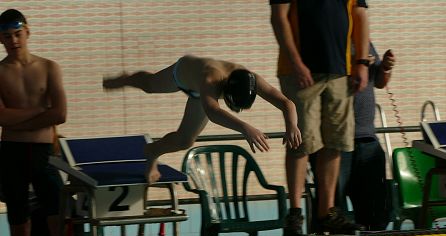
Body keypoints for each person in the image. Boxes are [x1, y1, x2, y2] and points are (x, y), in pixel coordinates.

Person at [103, 54, 302, 183]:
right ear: (225, 91)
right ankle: (125, 79)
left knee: (185, 141)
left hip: (202, 94)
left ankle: (152, 152)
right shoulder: (211, 79)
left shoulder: (252, 80)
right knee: (150, 85)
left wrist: (292, 124)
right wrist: (245, 128)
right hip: (183, 74)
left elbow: (287, 103)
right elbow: (213, 112)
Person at [270, 0, 370, 236]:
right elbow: (279, 17)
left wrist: (362, 62)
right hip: (300, 72)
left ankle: (327, 212)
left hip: (339, 70)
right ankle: (294, 212)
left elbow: (360, 15)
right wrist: (296, 62)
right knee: (301, 142)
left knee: (335, 141)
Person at [0, 9, 67, 236]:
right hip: (11, 153)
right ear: (0, 39)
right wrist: (41, 110)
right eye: (7, 36)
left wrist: (14, 120)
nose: (14, 41)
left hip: (44, 151)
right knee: (18, 221)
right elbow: (1, 117)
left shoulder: (49, 67)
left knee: (56, 218)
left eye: (18, 34)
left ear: (28, 32)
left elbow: (60, 114)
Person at [312, 42, 396, 231]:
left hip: (367, 139)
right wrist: (356, 64)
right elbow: (325, 81)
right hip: (335, 143)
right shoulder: (329, 38)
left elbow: (379, 82)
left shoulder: (364, 41)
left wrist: (385, 67)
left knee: (376, 214)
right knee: (332, 212)